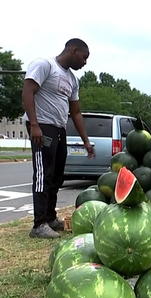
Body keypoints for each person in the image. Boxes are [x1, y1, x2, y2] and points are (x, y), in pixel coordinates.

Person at [22, 38, 95, 238]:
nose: (85, 62)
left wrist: (86, 141)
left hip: (59, 129)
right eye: (84, 57)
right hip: (42, 127)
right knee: (43, 174)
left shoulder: (72, 79)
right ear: (73, 50)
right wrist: (35, 125)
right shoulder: (45, 65)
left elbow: (76, 112)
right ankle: (38, 225)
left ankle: (50, 217)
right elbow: (28, 91)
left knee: (56, 175)